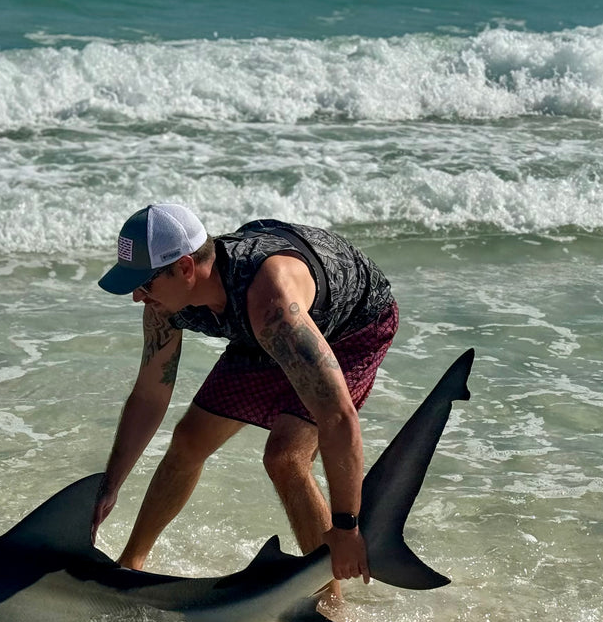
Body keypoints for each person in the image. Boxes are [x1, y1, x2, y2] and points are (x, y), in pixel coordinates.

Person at [92, 203, 399, 594]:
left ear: (185, 268)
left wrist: (347, 527)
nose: (137, 296)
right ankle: (128, 570)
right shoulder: (166, 306)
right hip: (261, 330)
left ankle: (327, 602)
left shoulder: (271, 307)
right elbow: (151, 394)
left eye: (145, 283)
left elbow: (337, 417)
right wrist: (110, 485)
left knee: (285, 458)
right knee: (189, 439)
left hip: (353, 326)